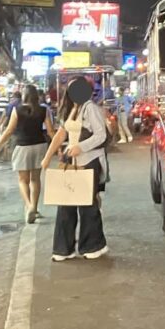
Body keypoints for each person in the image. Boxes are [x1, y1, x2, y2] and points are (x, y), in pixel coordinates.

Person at [43, 78, 110, 261]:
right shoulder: (74, 109)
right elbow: (61, 134)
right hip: (72, 161)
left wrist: (81, 147)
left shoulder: (91, 109)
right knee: (66, 203)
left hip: (89, 161)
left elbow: (101, 135)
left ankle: (92, 246)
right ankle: (63, 248)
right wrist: (47, 158)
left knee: (87, 205)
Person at [0, 85, 55, 223]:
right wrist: (57, 147)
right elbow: (50, 131)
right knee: (35, 179)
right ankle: (34, 206)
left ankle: (29, 206)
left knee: (23, 180)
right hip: (40, 146)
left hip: (22, 146)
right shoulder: (43, 110)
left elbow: (9, 130)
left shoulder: (17, 110)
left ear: (24, 95)